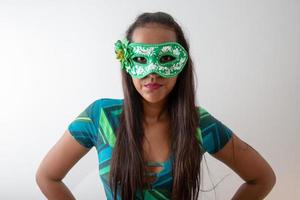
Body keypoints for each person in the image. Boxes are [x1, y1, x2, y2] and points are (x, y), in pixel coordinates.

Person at [36, 12, 276, 200]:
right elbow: (47, 177)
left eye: (166, 59)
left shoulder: (199, 124)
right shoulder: (100, 117)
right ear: (127, 62)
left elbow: (262, 178)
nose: (152, 72)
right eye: (141, 59)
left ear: (181, 65)